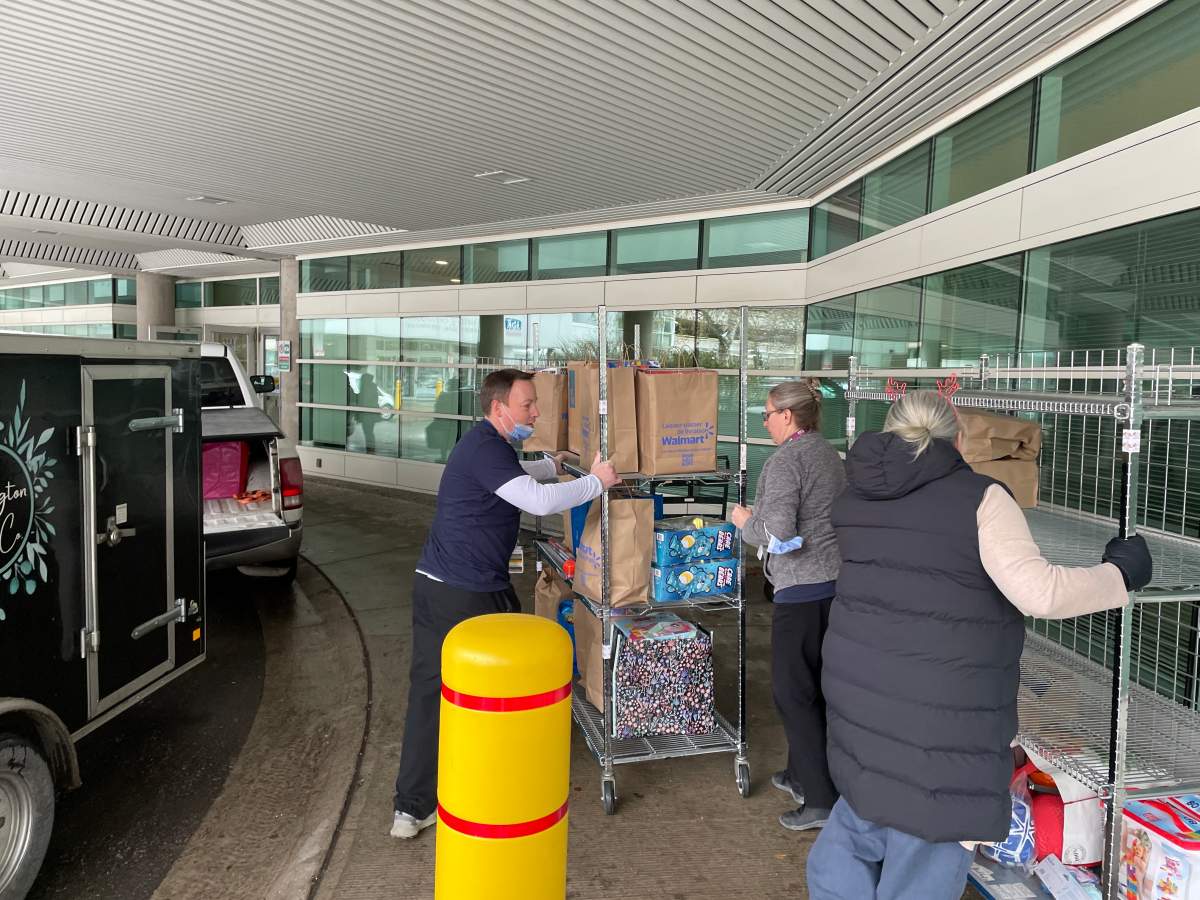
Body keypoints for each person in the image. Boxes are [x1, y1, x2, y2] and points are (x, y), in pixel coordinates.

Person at [807, 390, 1153, 900]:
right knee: (927, 836)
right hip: (939, 711)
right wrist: (1119, 573)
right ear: (960, 439)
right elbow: (1039, 592)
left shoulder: (853, 497)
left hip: (861, 694)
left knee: (863, 814)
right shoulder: (980, 498)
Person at [391, 368, 620, 839]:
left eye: (535, 404)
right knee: (498, 683)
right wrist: (596, 482)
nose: (535, 413)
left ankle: (413, 806)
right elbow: (535, 501)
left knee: (434, 690)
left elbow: (513, 479)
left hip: (445, 582)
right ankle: (486, 787)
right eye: (527, 405)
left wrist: (550, 464)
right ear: (499, 408)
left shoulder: (485, 447)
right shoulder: (486, 448)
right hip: (464, 590)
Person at [731, 380, 845, 833]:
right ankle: (801, 772)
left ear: (786, 416)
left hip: (800, 589)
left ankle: (819, 799)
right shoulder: (827, 453)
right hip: (833, 584)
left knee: (792, 692)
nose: (765, 421)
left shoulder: (786, 461)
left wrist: (745, 522)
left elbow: (778, 533)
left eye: (766, 413)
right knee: (815, 684)